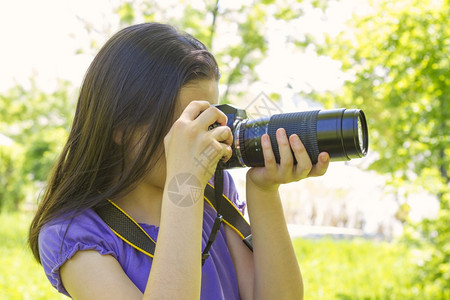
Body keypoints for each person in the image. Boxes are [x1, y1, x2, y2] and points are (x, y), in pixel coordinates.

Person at [28, 22, 329, 299]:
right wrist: (185, 185)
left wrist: (264, 193)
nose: (205, 139)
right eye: (187, 126)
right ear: (120, 127)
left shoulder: (214, 194)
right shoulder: (75, 233)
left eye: (208, 121)